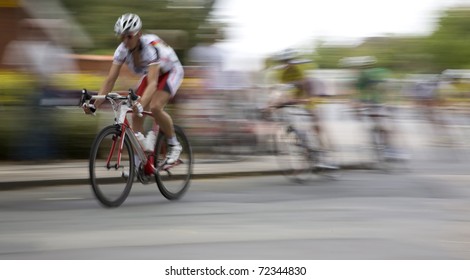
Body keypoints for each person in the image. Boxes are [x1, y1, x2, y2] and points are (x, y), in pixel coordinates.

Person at [82, 13, 184, 164]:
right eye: (122, 37)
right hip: (151, 74)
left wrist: (141, 105)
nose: (125, 41)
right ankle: (139, 162)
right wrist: (94, 106)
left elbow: (153, 84)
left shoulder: (150, 48)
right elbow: (110, 80)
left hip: (171, 71)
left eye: (129, 36)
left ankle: (174, 144)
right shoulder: (121, 50)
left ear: (139, 35)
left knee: (155, 107)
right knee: (136, 115)